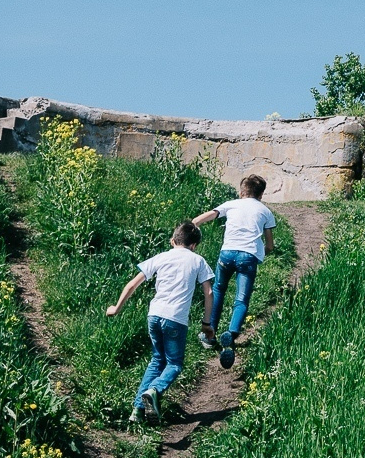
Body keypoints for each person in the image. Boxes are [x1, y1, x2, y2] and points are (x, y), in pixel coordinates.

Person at [107, 219, 215, 424]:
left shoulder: (161, 257)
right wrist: (206, 324)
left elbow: (131, 285)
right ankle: (154, 390)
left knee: (157, 360)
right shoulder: (198, 261)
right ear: (194, 245)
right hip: (176, 319)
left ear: (172, 241)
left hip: (154, 315)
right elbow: (208, 292)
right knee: (174, 364)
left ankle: (137, 411)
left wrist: (116, 308)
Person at [192, 173, 277, 369]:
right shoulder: (266, 211)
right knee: (241, 299)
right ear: (261, 195)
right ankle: (231, 333)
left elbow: (204, 217)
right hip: (248, 257)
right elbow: (270, 245)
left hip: (227, 253)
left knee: (218, 290)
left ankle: (209, 334)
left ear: (241, 192)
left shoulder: (231, 204)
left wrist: (193, 226)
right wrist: (261, 252)